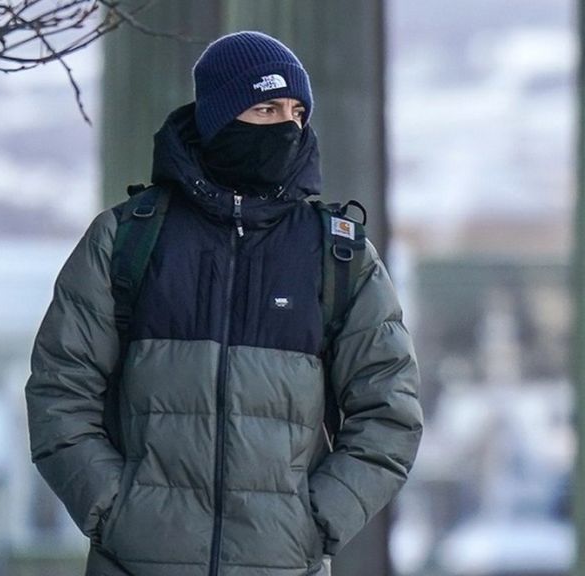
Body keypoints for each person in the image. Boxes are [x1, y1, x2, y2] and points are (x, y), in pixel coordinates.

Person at [25, 31, 422, 576]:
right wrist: (114, 511)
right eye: (265, 107)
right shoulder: (127, 239)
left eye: (296, 111)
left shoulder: (339, 255)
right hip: (136, 562)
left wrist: (315, 521)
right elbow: (60, 390)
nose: (286, 125)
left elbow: (390, 413)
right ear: (217, 119)